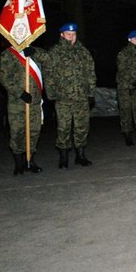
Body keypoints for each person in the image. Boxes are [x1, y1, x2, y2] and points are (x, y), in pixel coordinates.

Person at [46, 22, 96, 168]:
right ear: (62, 35)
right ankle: (63, 157)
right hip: (63, 98)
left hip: (81, 97)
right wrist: (51, 94)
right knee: (63, 127)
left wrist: (91, 93)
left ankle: (80, 155)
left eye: (73, 34)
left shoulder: (83, 52)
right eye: (68, 34)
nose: (71, 37)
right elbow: (49, 74)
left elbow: (91, 73)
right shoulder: (55, 52)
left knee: (82, 127)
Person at [0, 42, 49, 175]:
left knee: (34, 131)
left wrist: (34, 52)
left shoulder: (37, 51)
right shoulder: (8, 54)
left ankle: (30, 160)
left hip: (35, 101)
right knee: (17, 132)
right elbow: (3, 77)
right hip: (17, 101)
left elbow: (49, 62)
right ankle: (18, 163)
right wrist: (19, 92)